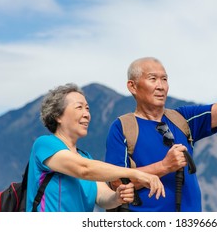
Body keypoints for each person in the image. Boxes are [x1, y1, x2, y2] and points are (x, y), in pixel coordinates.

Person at [105, 57, 217, 212]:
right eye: (153, 79)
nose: (161, 86)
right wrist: (164, 166)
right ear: (133, 86)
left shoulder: (183, 119)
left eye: (164, 79)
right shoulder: (123, 127)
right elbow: (117, 183)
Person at [26, 83, 165, 212]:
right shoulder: (45, 144)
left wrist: (117, 197)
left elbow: (102, 198)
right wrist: (135, 173)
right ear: (58, 116)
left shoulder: (86, 158)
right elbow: (83, 169)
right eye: (79, 107)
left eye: (87, 108)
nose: (86, 114)